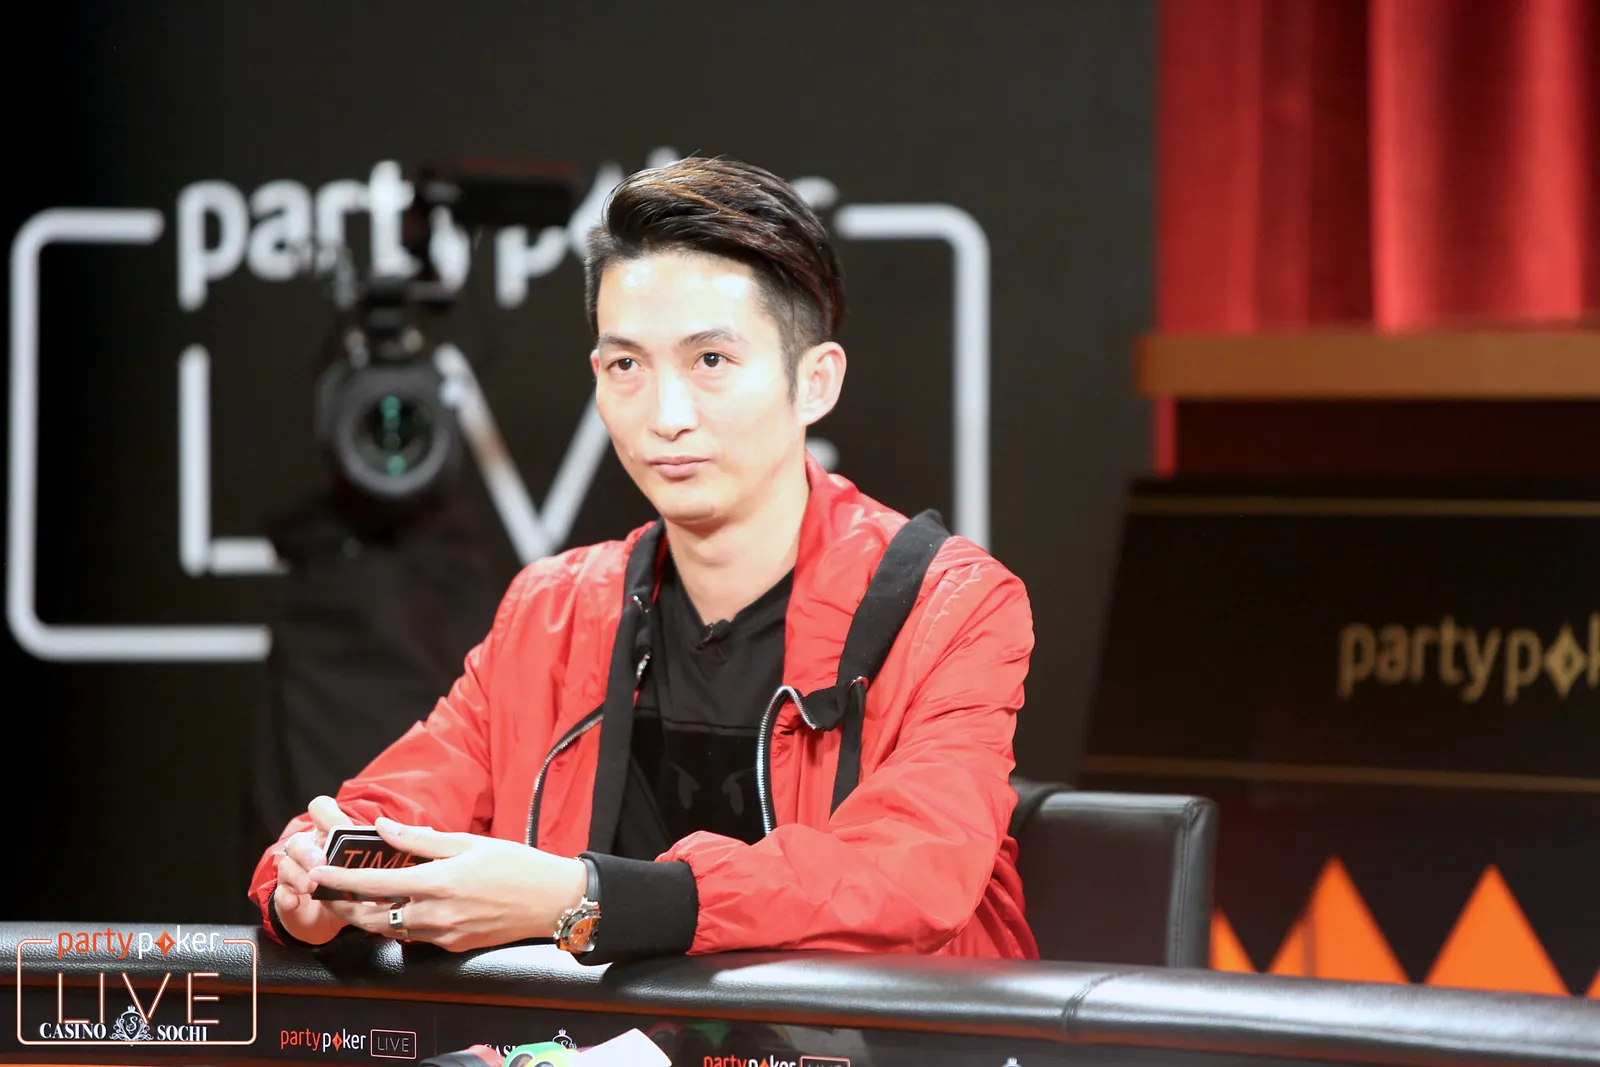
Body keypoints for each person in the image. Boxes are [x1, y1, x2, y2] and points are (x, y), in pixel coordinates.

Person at [248, 156, 1038, 963]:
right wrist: (310, 884)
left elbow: (911, 871)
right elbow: (394, 803)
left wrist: (583, 898)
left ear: (815, 382)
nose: (666, 414)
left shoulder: (951, 605)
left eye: (711, 361)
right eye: (627, 365)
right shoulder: (554, 608)